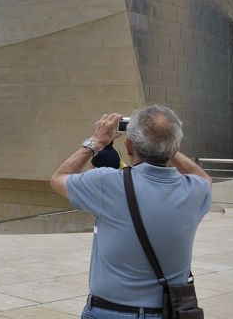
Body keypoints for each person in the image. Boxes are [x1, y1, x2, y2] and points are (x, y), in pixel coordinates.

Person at [51, 105, 211, 319]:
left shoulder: (107, 183)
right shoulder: (195, 191)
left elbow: (58, 178)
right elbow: (205, 178)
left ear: (128, 145)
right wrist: (167, 145)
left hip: (109, 311)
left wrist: (95, 142)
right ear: (176, 146)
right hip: (166, 313)